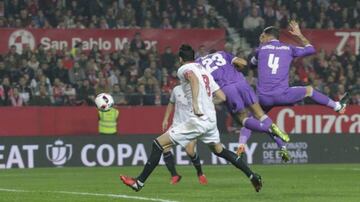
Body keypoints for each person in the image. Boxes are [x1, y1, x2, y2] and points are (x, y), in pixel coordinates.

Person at [120, 44, 262, 192]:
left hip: (198, 119)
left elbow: (192, 78)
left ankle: (139, 183)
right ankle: (252, 175)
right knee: (220, 150)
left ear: (181, 59)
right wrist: (206, 102)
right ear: (193, 57)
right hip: (210, 120)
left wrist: (195, 104)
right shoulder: (205, 72)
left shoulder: (184, 69)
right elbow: (222, 96)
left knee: (158, 144)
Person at [237, 21, 351, 160]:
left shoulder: (260, 49)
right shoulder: (288, 48)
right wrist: (299, 35)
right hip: (283, 94)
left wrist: (261, 46)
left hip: (263, 97)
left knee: (252, 120)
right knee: (309, 90)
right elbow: (311, 49)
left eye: (262, 36)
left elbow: (252, 64)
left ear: (266, 36)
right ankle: (338, 106)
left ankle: (243, 146)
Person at [195, 49, 290, 147]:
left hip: (227, 88)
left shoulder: (197, 64)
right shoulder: (222, 54)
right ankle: (281, 144)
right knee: (260, 114)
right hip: (241, 82)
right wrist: (235, 69)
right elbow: (243, 63)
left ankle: (268, 129)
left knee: (243, 119)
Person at [162, 85, 207, 185]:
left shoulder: (197, 89)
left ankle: (200, 173)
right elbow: (171, 103)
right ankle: (174, 175)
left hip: (190, 126)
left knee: (190, 151)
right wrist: (165, 119)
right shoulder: (176, 89)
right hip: (176, 125)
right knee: (164, 147)